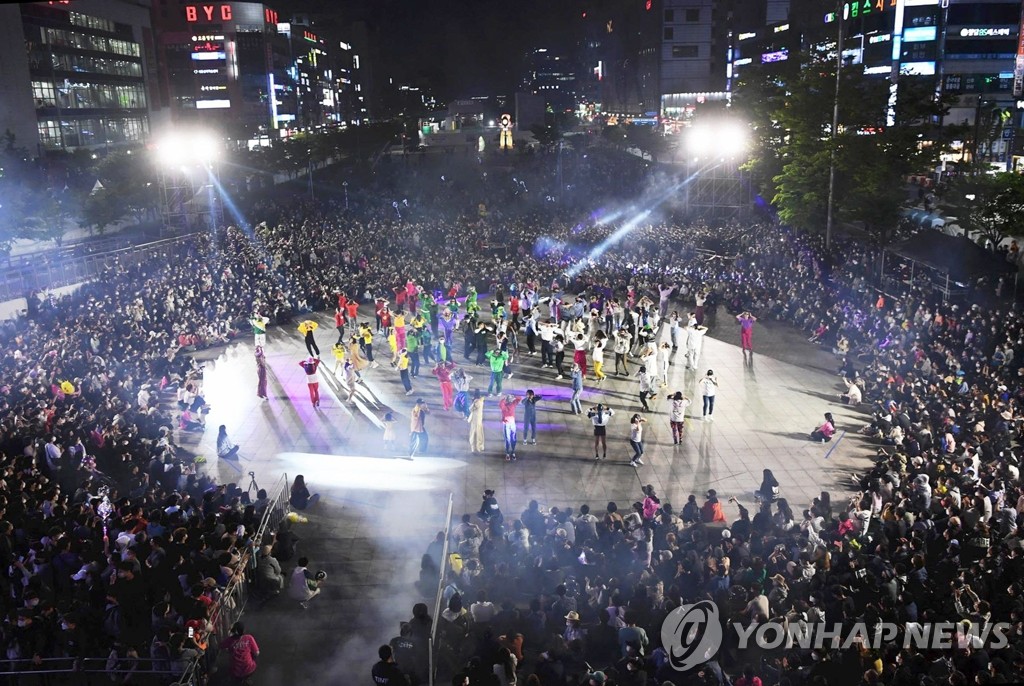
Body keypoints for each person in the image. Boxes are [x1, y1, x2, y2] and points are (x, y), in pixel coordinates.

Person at [499, 394, 522, 462]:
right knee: (508, 439)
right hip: (507, 424)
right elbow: (501, 404)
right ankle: (508, 453)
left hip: (512, 424)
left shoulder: (512, 404)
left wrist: (513, 396)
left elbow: (519, 398)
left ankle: (513, 452)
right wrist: (505, 398)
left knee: (513, 439)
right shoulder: (504, 406)